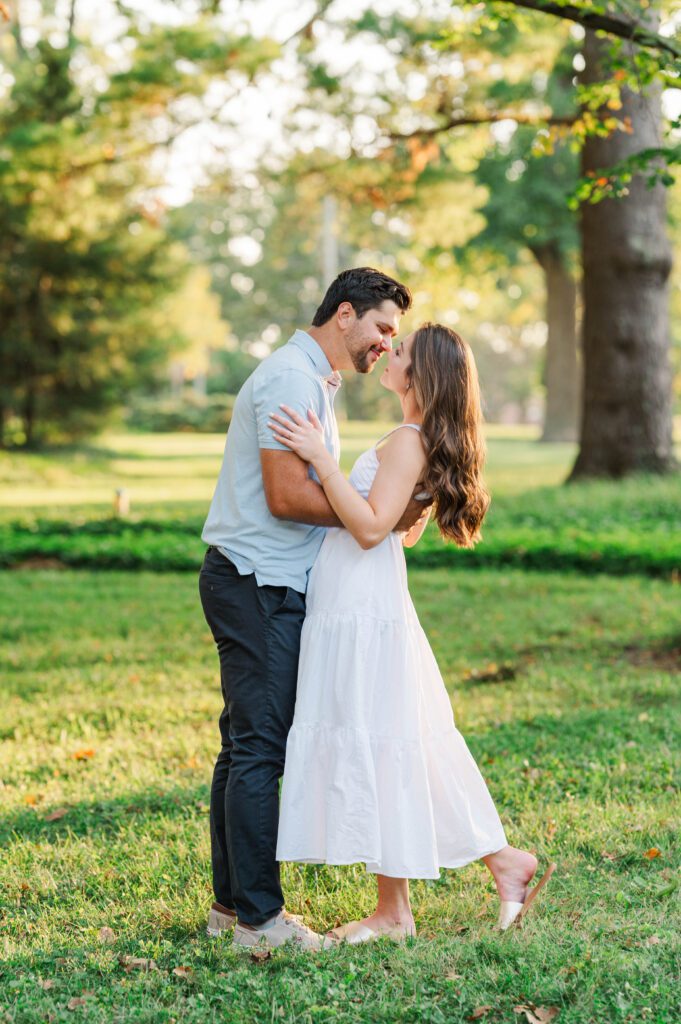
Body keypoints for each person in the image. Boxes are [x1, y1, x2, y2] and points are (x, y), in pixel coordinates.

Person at [270, 322, 555, 943]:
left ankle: (424, 898)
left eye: (398, 352)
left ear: (419, 376)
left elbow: (372, 529)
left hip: (363, 605)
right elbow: (402, 527)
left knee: (384, 739)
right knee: (395, 739)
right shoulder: (415, 439)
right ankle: (459, 882)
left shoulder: (406, 438)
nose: (387, 355)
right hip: (363, 598)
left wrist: (320, 459)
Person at [199, 267, 425, 950]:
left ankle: (231, 912)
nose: (385, 344)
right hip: (256, 582)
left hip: (260, 580)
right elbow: (284, 497)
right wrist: (373, 518)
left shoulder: (312, 381)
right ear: (345, 313)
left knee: (242, 747)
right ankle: (261, 924)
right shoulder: (291, 380)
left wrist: (380, 512)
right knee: (258, 750)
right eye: (382, 328)